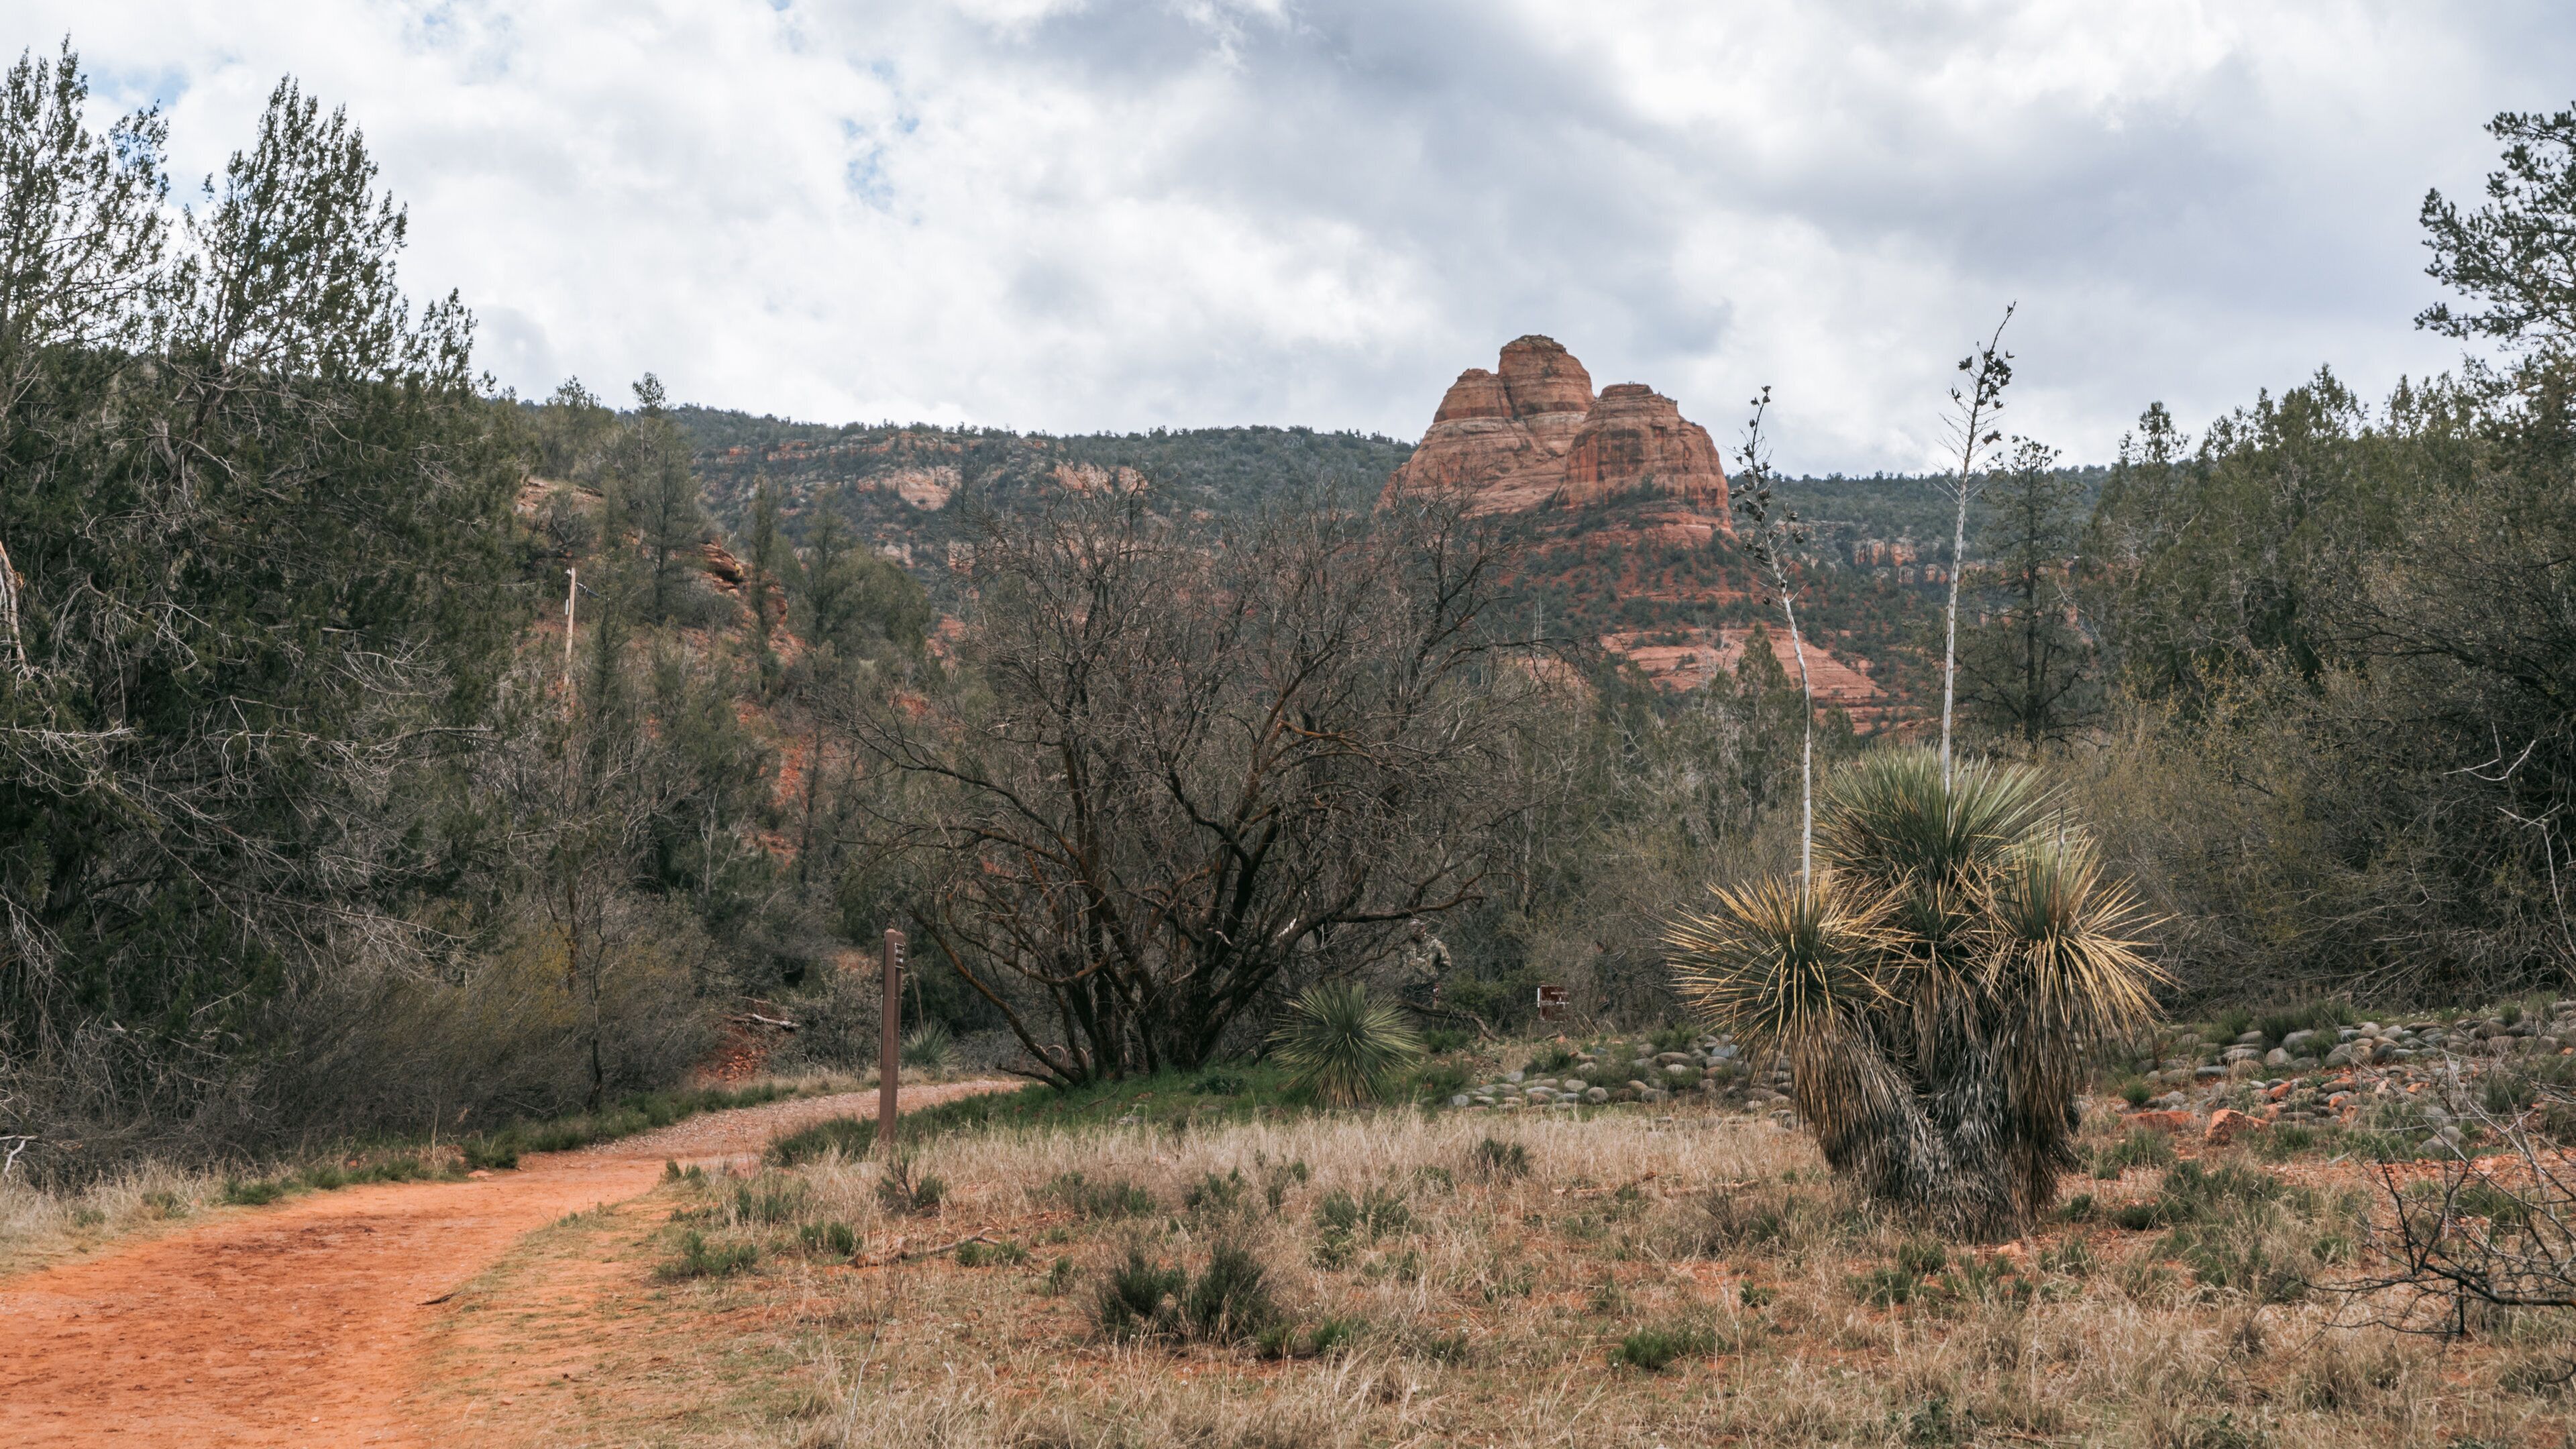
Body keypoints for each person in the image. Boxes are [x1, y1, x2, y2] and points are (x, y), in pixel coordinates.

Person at [1393, 919, 1452, 1015]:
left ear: (1423, 928)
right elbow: (1398, 963)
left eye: (1417, 930)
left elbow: (1446, 964)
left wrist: (1436, 977)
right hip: (1407, 986)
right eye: (1412, 931)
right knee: (1405, 1015)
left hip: (1427, 986)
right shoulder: (1404, 944)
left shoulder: (1435, 944)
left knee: (1426, 1014)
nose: (1414, 933)